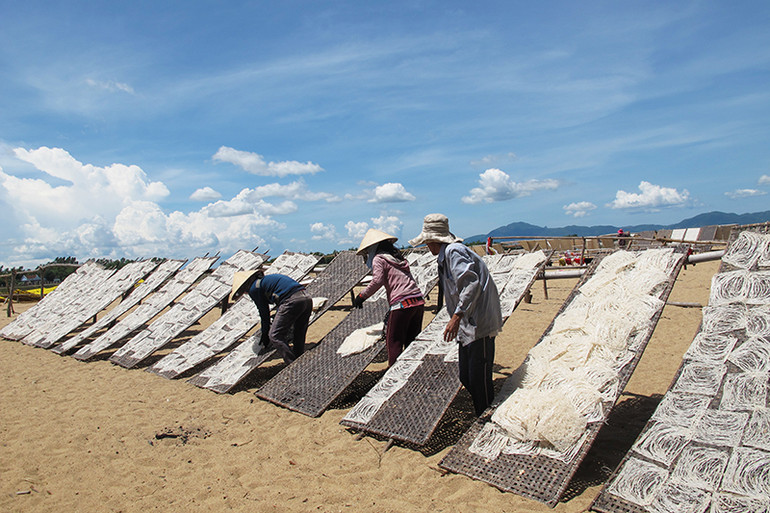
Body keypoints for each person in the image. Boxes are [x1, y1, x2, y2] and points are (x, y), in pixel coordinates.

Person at [409, 213, 503, 416]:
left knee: (479, 377)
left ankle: (487, 416)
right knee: (466, 377)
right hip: (468, 322)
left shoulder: (454, 252)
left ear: (434, 240)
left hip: (479, 321)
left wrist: (456, 316)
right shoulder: (445, 256)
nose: (427, 246)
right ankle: (483, 410)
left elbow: (471, 283)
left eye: (427, 242)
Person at [352, 229, 425, 366]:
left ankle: (393, 376)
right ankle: (410, 373)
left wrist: (362, 296)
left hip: (402, 304)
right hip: (418, 301)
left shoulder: (379, 258)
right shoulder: (397, 258)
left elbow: (377, 281)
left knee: (394, 343)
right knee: (411, 343)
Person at [229, 269, 312, 364]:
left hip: (291, 301)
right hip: (307, 298)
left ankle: (292, 363)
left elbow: (264, 313)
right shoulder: (266, 281)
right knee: (299, 333)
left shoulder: (254, 289)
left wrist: (265, 333)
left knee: (275, 335)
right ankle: (300, 361)